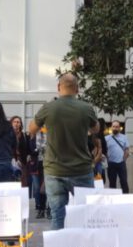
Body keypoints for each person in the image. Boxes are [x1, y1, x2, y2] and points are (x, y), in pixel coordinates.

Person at [28, 73, 98, 229]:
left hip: (54, 170)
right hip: (81, 170)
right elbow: (96, 129)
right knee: (85, 215)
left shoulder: (48, 108)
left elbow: (31, 129)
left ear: (58, 88)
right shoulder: (86, 108)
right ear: (77, 89)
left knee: (57, 217)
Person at [29, 127, 50, 219]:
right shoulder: (34, 135)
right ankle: (41, 209)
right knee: (40, 188)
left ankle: (49, 209)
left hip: (49, 162)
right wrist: (40, 149)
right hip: (38, 163)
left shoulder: (51, 133)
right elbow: (31, 149)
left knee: (48, 187)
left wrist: (39, 149)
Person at [105, 119, 131, 193]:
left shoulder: (124, 137)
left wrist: (124, 159)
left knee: (124, 182)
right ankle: (113, 201)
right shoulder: (106, 138)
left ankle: (126, 199)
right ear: (111, 127)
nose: (115, 128)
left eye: (117, 127)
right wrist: (108, 159)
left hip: (121, 163)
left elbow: (127, 150)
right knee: (112, 183)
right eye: (113, 126)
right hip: (111, 163)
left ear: (119, 128)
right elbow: (104, 150)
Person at [11, 116, 30, 186]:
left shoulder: (24, 135)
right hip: (11, 161)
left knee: (22, 182)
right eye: (15, 122)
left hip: (22, 161)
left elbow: (28, 149)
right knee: (12, 181)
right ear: (11, 123)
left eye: (18, 122)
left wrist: (28, 156)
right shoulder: (8, 135)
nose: (16, 123)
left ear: (21, 124)